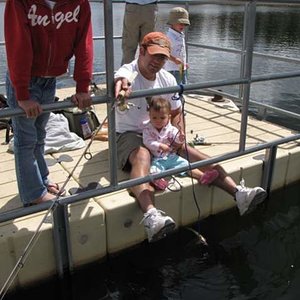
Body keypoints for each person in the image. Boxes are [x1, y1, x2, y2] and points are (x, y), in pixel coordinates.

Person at [114, 31, 267, 243]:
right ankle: (151, 216)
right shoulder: (128, 72)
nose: (157, 62)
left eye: (163, 58)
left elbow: (176, 113)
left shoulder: (167, 78)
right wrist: (122, 85)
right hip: (131, 133)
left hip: (162, 131)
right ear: (141, 51)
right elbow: (121, 78)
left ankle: (239, 193)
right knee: (142, 156)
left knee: (195, 153)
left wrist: (178, 135)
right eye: (154, 55)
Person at [4, 0, 93, 206]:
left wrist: (82, 87)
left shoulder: (79, 3)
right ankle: (34, 193)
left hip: (50, 78)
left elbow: (84, 44)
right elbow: (18, 45)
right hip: (25, 79)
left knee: (40, 136)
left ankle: (42, 179)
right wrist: (23, 94)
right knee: (26, 140)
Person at [143, 97, 219, 190]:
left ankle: (202, 176)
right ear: (149, 116)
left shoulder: (170, 129)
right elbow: (147, 141)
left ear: (169, 117)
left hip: (172, 157)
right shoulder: (147, 129)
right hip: (157, 159)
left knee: (186, 164)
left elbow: (176, 138)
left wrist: (180, 138)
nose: (158, 121)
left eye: (162, 118)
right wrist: (159, 145)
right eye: (154, 117)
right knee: (154, 170)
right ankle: (159, 181)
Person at [121, 0, 158, 65]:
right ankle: (146, 72)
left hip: (132, 7)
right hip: (150, 7)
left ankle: (126, 73)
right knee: (147, 46)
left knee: (129, 47)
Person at [164, 7, 190, 84]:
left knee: (183, 85)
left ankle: (180, 95)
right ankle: (176, 95)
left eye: (184, 24)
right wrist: (174, 59)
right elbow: (164, 52)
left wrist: (184, 63)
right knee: (174, 86)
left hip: (181, 67)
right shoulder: (169, 37)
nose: (182, 26)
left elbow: (181, 51)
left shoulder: (181, 34)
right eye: (180, 23)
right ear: (172, 23)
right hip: (172, 69)